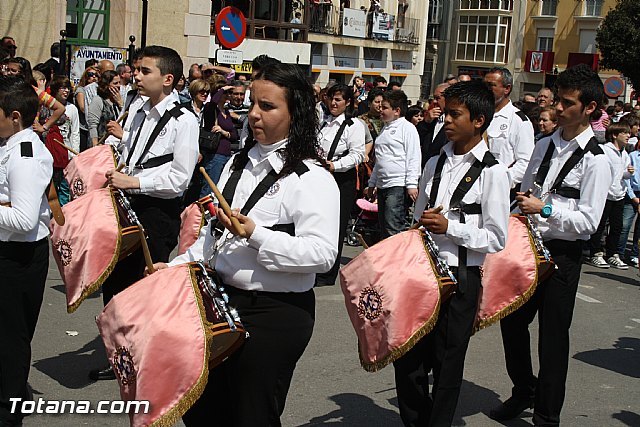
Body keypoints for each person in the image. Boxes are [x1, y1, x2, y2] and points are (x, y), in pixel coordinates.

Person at [152, 62, 339, 426]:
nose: (253, 113)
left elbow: (322, 255)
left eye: (267, 106)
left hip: (275, 312)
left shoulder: (312, 177)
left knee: (251, 414)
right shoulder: (237, 162)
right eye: (253, 103)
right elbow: (212, 236)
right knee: (202, 407)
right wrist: (174, 267)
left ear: (295, 113)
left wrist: (256, 234)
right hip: (221, 301)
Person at [490, 64, 611, 426]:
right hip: (527, 246)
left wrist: (544, 208)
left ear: (589, 108)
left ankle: (546, 415)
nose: (557, 108)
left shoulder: (597, 160)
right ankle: (523, 390)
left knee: (553, 339)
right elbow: (525, 193)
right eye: (557, 100)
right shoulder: (543, 144)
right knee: (511, 325)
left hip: (562, 256)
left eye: (567, 103)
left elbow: (589, 222)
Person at [395, 79, 510, 427]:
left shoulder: (493, 172)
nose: (445, 120)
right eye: (445, 113)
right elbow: (417, 221)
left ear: (478, 120)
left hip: (461, 277)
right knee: (408, 359)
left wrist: (452, 229)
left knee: (447, 364)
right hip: (424, 274)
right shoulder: (436, 163)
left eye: (454, 114)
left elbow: (496, 238)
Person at [91, 45, 200, 381]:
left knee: (142, 285)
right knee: (116, 283)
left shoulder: (185, 121)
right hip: (126, 201)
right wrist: (109, 154)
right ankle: (120, 355)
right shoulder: (137, 109)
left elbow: (180, 179)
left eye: (144, 71)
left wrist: (133, 181)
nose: (135, 77)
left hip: (156, 211)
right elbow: (131, 150)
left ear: (168, 79)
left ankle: (143, 359)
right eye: (136, 71)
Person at [0, 75, 54, 427]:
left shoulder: (25, 154)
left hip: (18, 259)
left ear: (15, 116)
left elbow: (21, 219)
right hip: (11, 253)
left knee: (11, 343)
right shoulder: (11, 143)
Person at [316, 84, 365, 286]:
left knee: (336, 225)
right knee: (318, 223)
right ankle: (316, 266)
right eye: (331, 99)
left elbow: (358, 154)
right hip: (320, 176)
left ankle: (328, 273)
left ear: (347, 103)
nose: (333, 103)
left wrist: (335, 165)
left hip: (340, 178)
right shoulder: (323, 122)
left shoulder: (354, 125)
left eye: (338, 100)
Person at [365, 90, 421, 238]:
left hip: (397, 184)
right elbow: (380, 159)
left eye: (385, 107)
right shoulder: (385, 129)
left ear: (397, 111)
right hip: (383, 184)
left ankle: (398, 260)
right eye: (380, 107)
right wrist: (372, 183)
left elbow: (413, 156)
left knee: (393, 227)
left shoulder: (407, 128)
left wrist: (411, 184)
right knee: (384, 227)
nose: (380, 110)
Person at [585, 121, 633, 269]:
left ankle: (612, 254)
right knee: (599, 226)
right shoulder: (604, 150)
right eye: (624, 133)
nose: (628, 136)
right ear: (614, 135)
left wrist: (628, 172)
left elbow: (621, 175)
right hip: (605, 195)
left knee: (617, 226)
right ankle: (595, 253)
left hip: (619, 195)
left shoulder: (624, 153)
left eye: (628, 133)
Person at [484, 67, 535, 195]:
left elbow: (526, 162)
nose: (486, 89)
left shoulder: (519, 121)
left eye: (491, 85)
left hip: (499, 190)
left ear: (507, 89)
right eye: (484, 85)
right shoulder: (479, 115)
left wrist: (502, 180)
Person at [200, 81, 239, 194]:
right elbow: (212, 102)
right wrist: (222, 89)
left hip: (227, 154)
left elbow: (234, 135)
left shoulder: (226, 112)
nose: (228, 95)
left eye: (229, 92)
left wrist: (223, 132)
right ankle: (201, 211)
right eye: (225, 92)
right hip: (215, 155)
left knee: (220, 189)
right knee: (209, 188)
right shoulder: (211, 109)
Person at [417, 83, 449, 167]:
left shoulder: (454, 121)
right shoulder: (431, 119)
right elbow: (418, 138)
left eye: (437, 98)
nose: (434, 101)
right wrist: (426, 121)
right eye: (433, 98)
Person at [86, 70, 121, 146]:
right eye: (115, 83)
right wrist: (95, 145)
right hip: (101, 144)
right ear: (107, 85)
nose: (118, 86)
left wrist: (121, 104)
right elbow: (92, 126)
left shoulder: (117, 102)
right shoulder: (98, 100)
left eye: (119, 83)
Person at [74, 66, 100, 151]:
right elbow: (82, 108)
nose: (94, 77)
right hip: (83, 127)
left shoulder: (97, 90)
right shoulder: (81, 90)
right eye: (91, 74)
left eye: (96, 75)